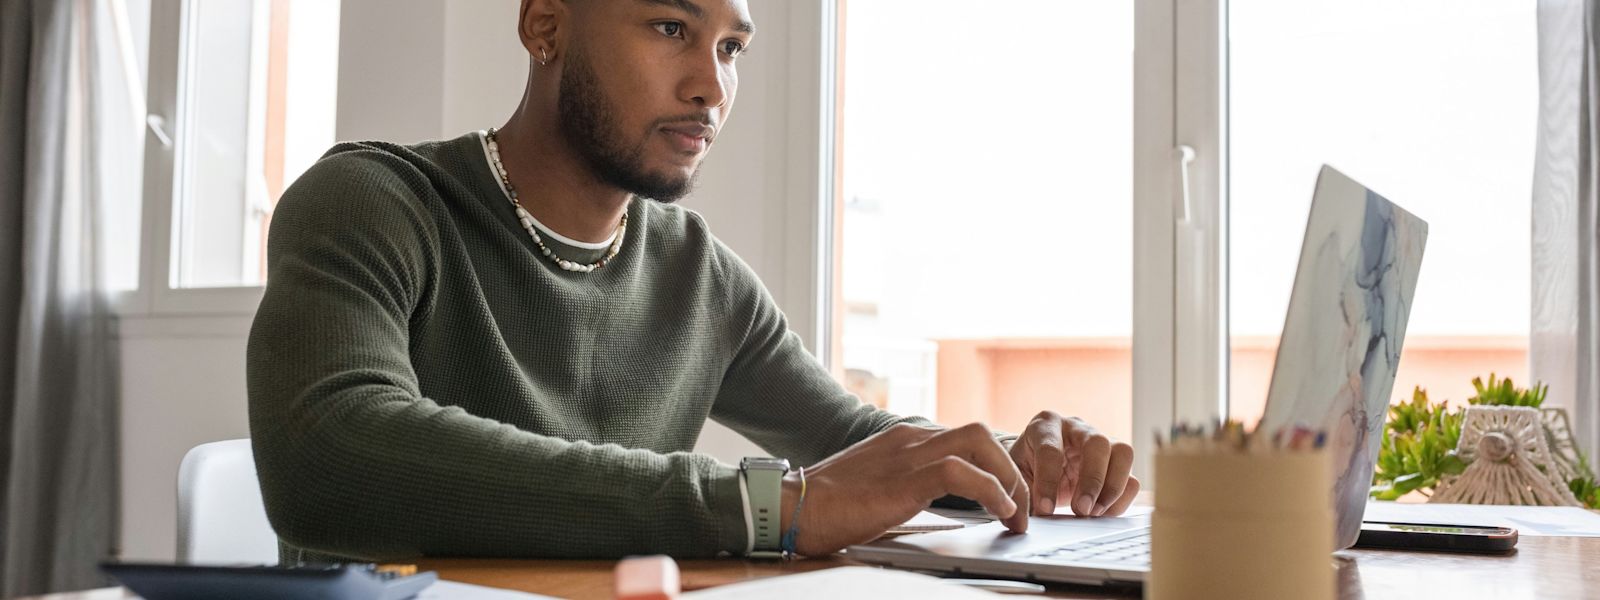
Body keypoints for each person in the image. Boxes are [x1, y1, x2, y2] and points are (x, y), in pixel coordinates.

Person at [246, 0, 1137, 562]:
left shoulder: (696, 275)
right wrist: (769, 506)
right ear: (544, 23)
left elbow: (854, 443)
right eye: (672, 28)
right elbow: (324, 452)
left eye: (732, 47)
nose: (711, 85)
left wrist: (1004, 460)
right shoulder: (373, 201)